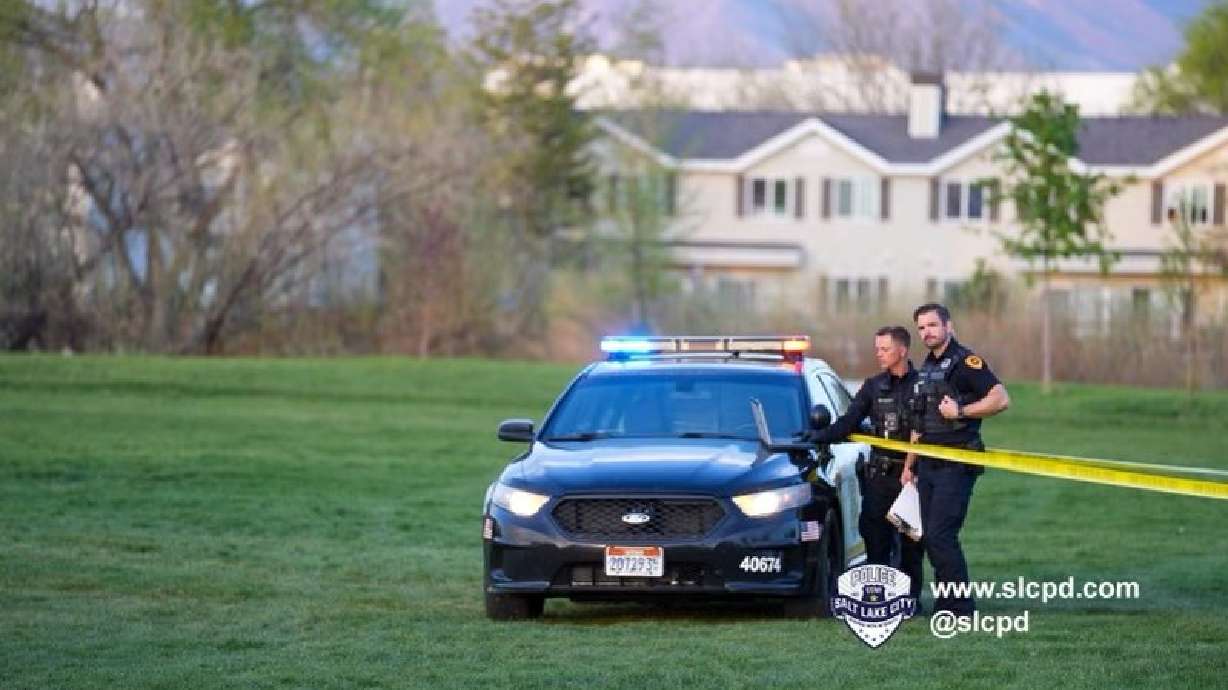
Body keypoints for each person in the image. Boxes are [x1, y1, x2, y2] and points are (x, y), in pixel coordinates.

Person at [808, 326, 924, 606]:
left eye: (885, 349)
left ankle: (910, 600)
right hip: (879, 477)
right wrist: (818, 436)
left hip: (913, 478)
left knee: (911, 546)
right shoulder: (873, 386)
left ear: (902, 350)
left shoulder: (923, 385)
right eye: (877, 349)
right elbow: (849, 421)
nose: (879, 354)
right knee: (875, 540)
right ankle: (879, 598)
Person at [908, 303, 1010, 615]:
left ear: (948, 326)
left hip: (956, 463)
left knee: (941, 535)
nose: (927, 332)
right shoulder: (927, 367)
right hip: (928, 463)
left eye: (932, 325)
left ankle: (960, 607)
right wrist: (910, 465)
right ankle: (947, 603)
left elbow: (1001, 399)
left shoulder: (966, 362)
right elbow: (920, 422)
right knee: (931, 537)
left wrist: (961, 411)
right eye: (921, 327)